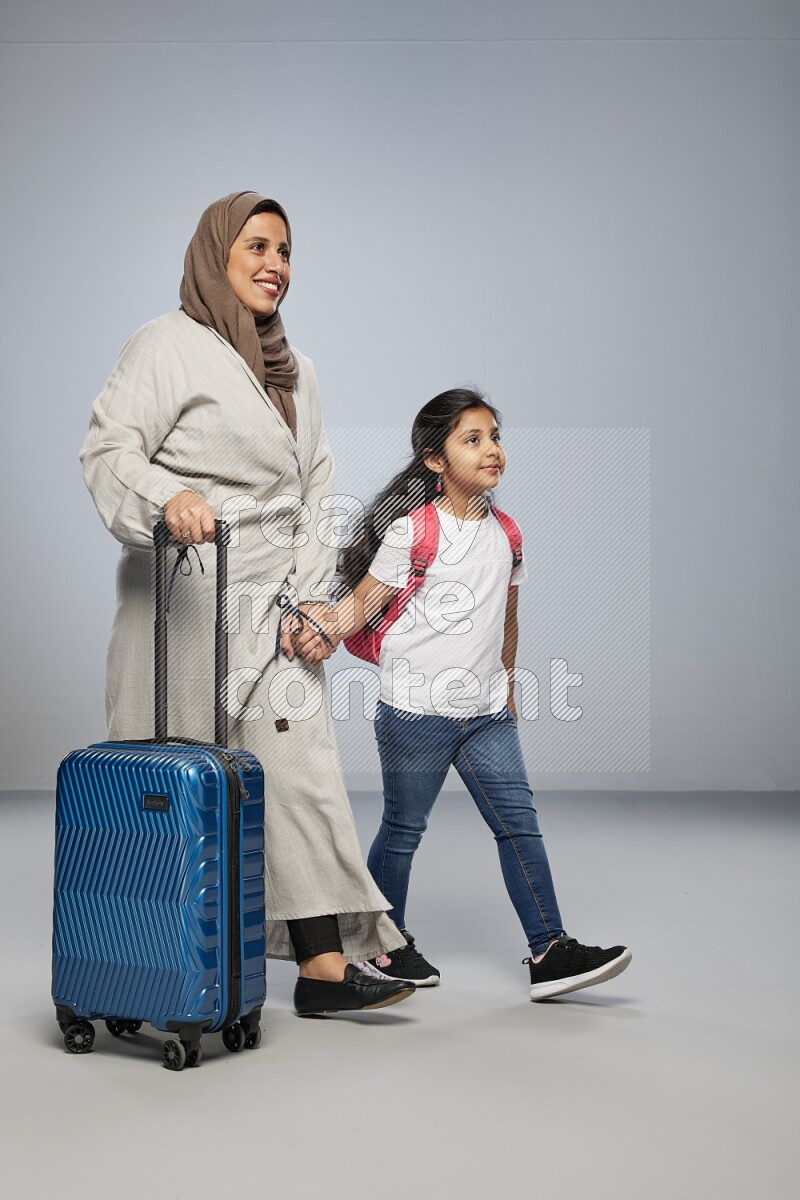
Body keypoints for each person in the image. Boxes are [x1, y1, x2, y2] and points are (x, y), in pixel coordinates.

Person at [79, 190, 415, 1017]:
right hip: (186, 600)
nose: (275, 266)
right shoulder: (165, 346)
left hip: (273, 607)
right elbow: (107, 449)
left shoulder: (295, 370)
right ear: (216, 255)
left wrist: (309, 604)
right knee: (171, 787)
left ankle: (324, 966)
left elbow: (315, 488)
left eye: (287, 252)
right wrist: (167, 496)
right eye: (257, 247)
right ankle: (148, 960)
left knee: (301, 771)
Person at [290, 387, 632, 1001]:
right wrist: (319, 628)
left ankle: (550, 951)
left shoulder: (507, 532)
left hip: (485, 717)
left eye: (494, 437)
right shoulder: (412, 530)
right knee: (403, 830)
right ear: (435, 460)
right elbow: (363, 603)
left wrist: (506, 686)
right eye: (471, 440)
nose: (491, 450)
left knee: (519, 827)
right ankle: (381, 949)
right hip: (415, 713)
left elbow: (507, 617)